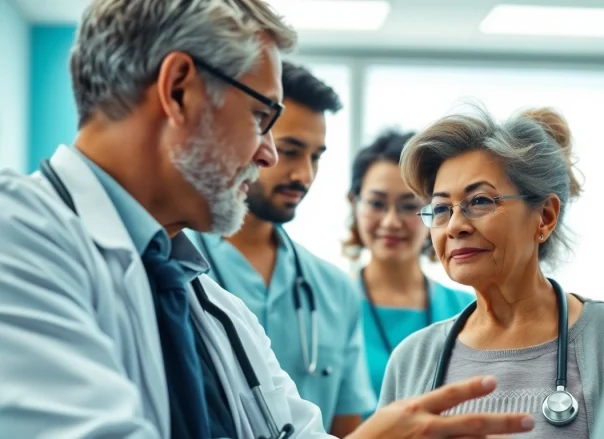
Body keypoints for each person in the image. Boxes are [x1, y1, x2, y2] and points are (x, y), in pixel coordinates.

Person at [0, 1, 540, 437]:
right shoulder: (17, 236)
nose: (268, 156)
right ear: (179, 89)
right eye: (262, 117)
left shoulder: (210, 305)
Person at [379, 106, 604, 438]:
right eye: (440, 209)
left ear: (546, 216)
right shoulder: (412, 360)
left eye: (480, 201)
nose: (454, 226)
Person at [190, 61, 375, 436]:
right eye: (290, 151)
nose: (304, 175)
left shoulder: (336, 290)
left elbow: (345, 427)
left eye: (316, 156)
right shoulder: (179, 270)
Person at [344, 129, 474, 413]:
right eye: (377, 204)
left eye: (408, 207)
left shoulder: (468, 310)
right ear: (354, 204)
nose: (391, 221)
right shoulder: (331, 306)